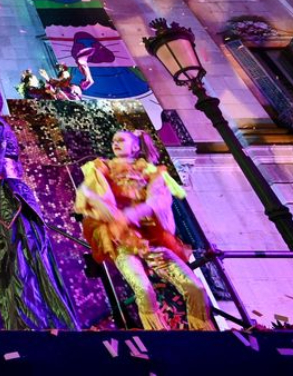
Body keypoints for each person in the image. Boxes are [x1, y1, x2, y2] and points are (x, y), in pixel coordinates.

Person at [75, 129, 214, 331]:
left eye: (121, 140)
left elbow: (158, 201)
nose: (115, 143)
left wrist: (133, 214)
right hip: (121, 239)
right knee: (143, 288)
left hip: (153, 237)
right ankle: (157, 335)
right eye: (113, 140)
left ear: (135, 146)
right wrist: (107, 211)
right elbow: (89, 196)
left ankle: (203, 333)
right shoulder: (101, 168)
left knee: (196, 288)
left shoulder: (151, 171)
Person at [0, 87, 78, 330]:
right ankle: (25, 322)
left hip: (8, 194)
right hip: (3, 193)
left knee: (20, 255)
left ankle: (34, 322)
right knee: (13, 257)